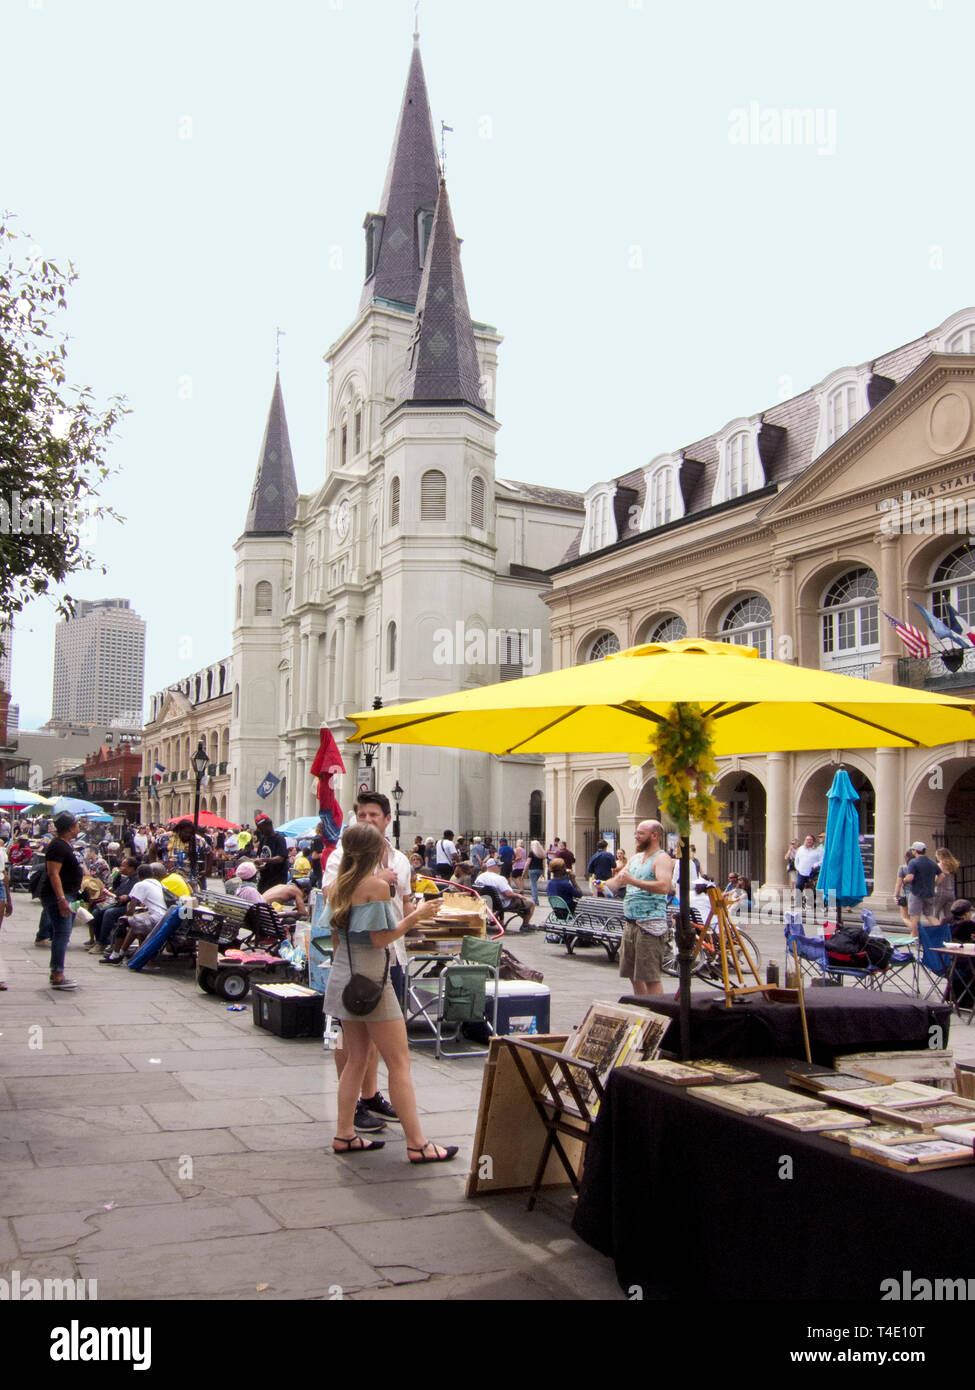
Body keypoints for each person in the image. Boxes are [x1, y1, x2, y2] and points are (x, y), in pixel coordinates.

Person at [323, 822, 457, 1162]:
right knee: (399, 1062)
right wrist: (420, 914)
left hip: (344, 976)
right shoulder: (375, 888)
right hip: (372, 979)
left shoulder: (337, 886)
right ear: (374, 852)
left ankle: (344, 1134)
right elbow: (381, 938)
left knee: (355, 1059)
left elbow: (334, 936)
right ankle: (417, 1144)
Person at [324, 792, 413, 1134]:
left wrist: (411, 910)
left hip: (392, 957)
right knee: (351, 1044)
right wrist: (375, 882)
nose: (366, 819)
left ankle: (369, 1097)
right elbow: (333, 894)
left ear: (387, 818)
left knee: (373, 1043)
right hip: (360, 957)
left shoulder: (401, 861)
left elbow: (403, 901)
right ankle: (359, 1111)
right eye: (361, 814)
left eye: (373, 814)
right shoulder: (342, 857)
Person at [604, 820, 675, 998]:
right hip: (631, 924)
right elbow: (618, 881)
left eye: (640, 833)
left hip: (649, 926)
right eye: (636, 832)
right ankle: (642, 1006)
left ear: (654, 836)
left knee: (650, 976)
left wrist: (633, 881)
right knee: (633, 975)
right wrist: (602, 886)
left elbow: (664, 886)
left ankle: (656, 1013)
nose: (636, 836)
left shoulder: (661, 858)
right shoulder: (635, 859)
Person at [38, 812, 83, 990]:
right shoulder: (57, 846)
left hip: (69, 895)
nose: (78, 827)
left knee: (63, 934)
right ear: (71, 827)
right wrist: (61, 899)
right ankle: (57, 974)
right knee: (61, 935)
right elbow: (53, 873)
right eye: (77, 824)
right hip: (59, 896)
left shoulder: (64, 845)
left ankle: (56, 972)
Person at [474, 856, 535, 929]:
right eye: (499, 865)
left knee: (520, 903)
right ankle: (525, 925)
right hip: (502, 903)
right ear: (493, 866)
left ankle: (501, 921)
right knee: (531, 903)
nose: (500, 867)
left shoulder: (480, 877)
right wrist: (519, 895)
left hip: (487, 903)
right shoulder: (499, 878)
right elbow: (508, 894)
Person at [902, 841, 940, 936]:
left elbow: (910, 877)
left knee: (915, 917)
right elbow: (941, 875)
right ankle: (941, 932)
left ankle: (915, 938)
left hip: (916, 893)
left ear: (915, 851)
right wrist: (935, 884)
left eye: (912, 850)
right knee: (930, 916)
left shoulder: (913, 862)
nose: (912, 851)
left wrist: (904, 879)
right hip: (929, 893)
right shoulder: (932, 862)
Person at [892, 849, 916, 931]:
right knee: (915, 918)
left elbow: (898, 884)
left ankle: (917, 932)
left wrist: (896, 895)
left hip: (906, 894)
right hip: (918, 893)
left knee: (905, 917)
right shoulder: (918, 868)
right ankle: (915, 934)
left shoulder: (903, 868)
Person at [934, 848, 959, 923]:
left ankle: (936, 931)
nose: (936, 857)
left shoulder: (939, 865)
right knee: (949, 915)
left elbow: (939, 879)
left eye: (937, 855)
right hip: (951, 892)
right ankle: (949, 931)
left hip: (941, 891)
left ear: (940, 856)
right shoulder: (952, 865)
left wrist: (934, 884)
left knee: (935, 913)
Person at [527, 839, 546, 905]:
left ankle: (535, 900)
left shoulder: (532, 852)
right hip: (539, 870)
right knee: (535, 884)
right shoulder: (541, 853)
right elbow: (543, 864)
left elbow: (528, 862)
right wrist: (543, 873)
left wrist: (524, 871)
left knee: (533, 885)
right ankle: (535, 899)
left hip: (532, 869)